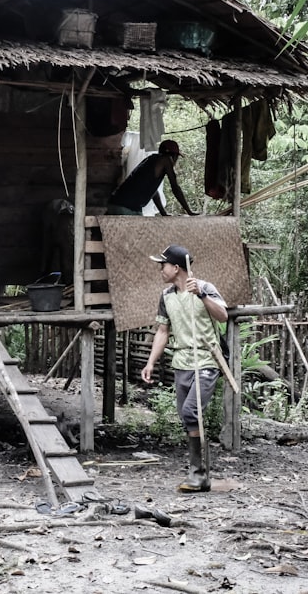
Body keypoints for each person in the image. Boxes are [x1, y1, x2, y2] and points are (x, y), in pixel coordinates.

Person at [140, 244, 228, 493]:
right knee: (188, 417)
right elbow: (162, 331)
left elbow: (222, 316)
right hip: (181, 363)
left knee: (191, 412)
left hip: (206, 361)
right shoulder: (166, 296)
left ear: (176, 267)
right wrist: (150, 362)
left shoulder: (205, 288)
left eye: (163, 265)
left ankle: (197, 472)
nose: (160, 269)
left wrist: (201, 294)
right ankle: (201, 475)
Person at [106, 139, 198, 215]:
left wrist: (163, 213)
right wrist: (189, 211)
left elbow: (154, 192)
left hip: (116, 203)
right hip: (126, 206)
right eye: (176, 157)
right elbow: (175, 188)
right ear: (173, 155)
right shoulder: (165, 159)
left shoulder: (151, 160)